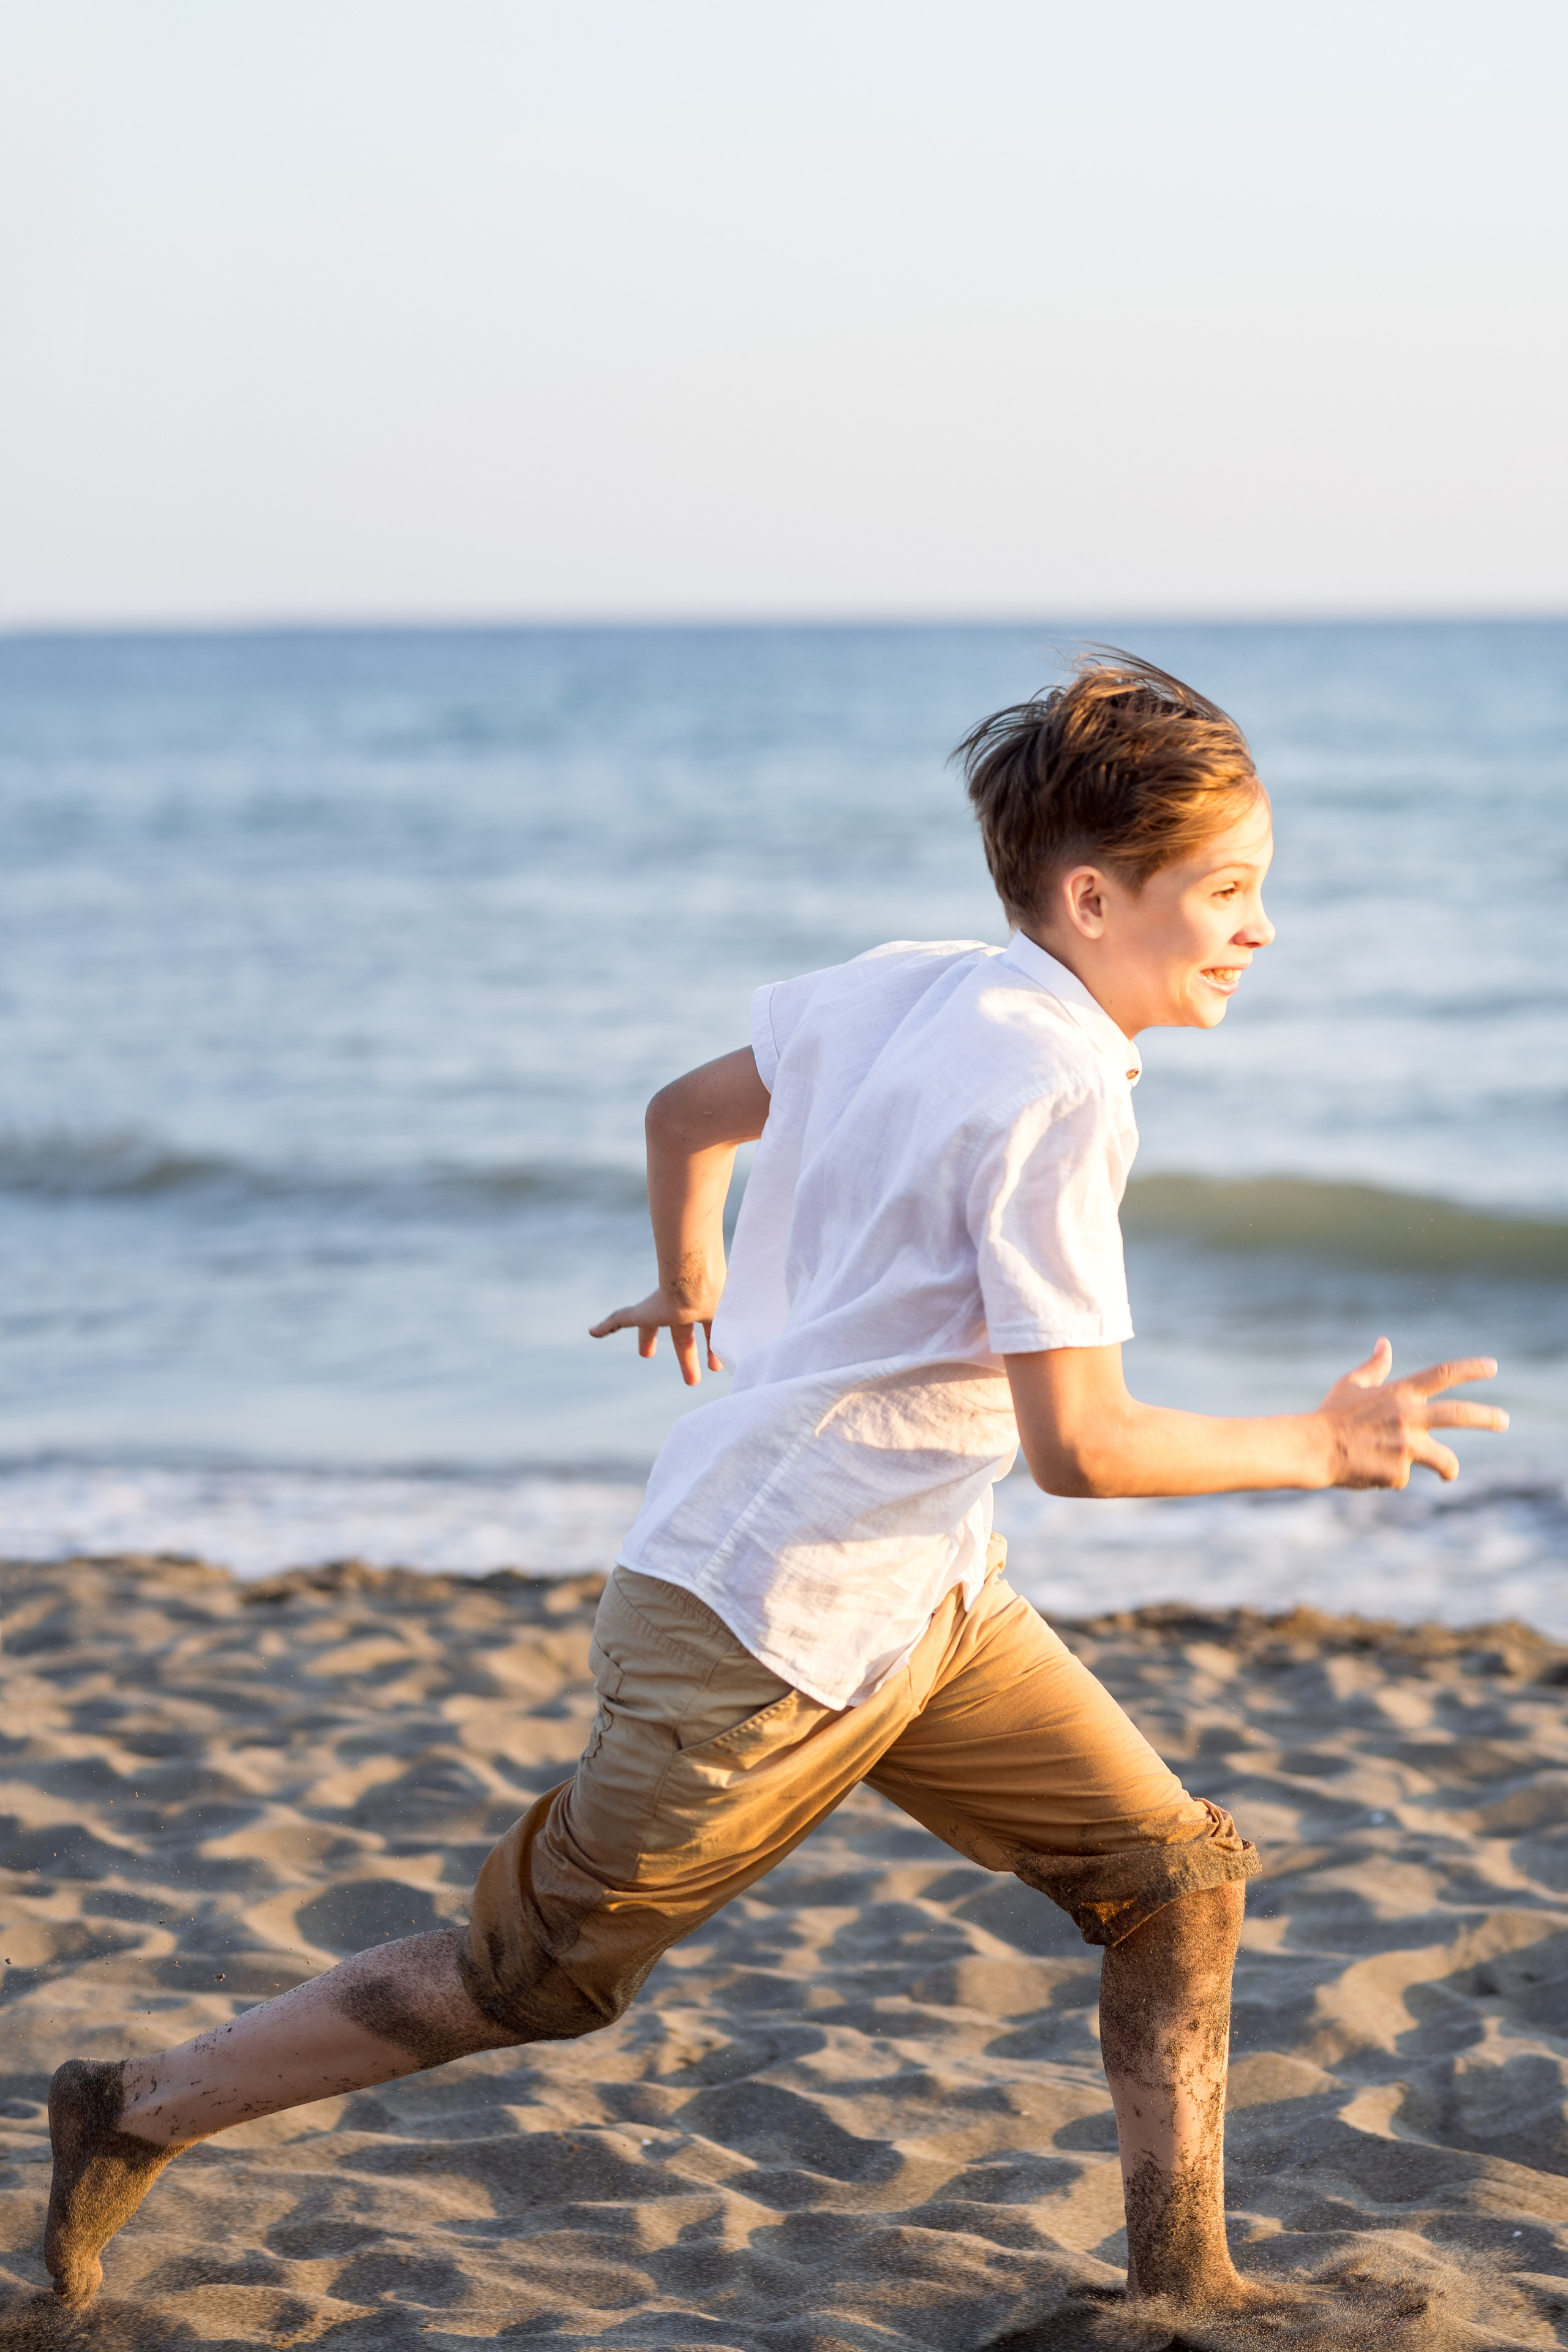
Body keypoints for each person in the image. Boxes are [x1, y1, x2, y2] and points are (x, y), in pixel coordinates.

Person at [45, 655, 1506, 2325]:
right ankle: (131, 2106)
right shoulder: (1058, 1089)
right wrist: (1324, 1446)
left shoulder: (911, 985)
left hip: (926, 1596)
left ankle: (1184, 2288)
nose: (1259, 930)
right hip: (759, 1624)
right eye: (1229, 893)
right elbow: (1083, 1449)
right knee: (532, 1981)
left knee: (1175, 1878)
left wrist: (692, 1276)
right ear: (1095, 897)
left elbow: (684, 1111)